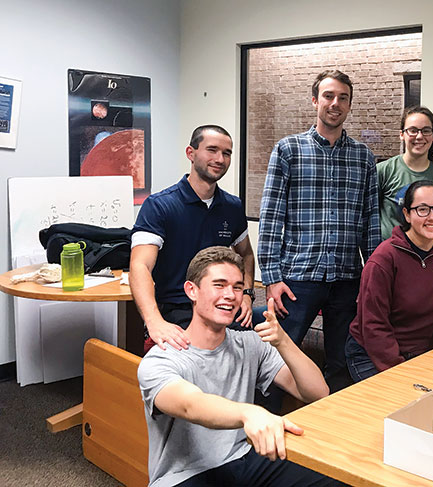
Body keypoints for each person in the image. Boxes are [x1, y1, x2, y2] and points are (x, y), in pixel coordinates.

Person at [137, 246, 338, 487]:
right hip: (184, 476)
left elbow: (317, 392)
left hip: (245, 459)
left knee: (336, 479)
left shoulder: (250, 343)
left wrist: (283, 341)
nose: (231, 295)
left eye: (237, 287)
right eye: (219, 285)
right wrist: (249, 413)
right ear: (192, 291)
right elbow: (191, 405)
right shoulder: (161, 359)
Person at [258, 70, 380, 392]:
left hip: (347, 278)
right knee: (278, 358)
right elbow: (271, 217)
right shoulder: (288, 150)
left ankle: (332, 427)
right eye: (328, 96)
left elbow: (370, 221)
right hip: (298, 277)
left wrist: (373, 278)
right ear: (315, 100)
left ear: (350, 105)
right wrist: (271, 278)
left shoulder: (364, 157)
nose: (335, 103)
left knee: (342, 361)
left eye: (343, 97)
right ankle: (265, 422)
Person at [130, 125, 256, 352]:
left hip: (221, 305)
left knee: (260, 347)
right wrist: (154, 321)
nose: (220, 159)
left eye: (227, 153)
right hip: (177, 308)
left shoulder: (233, 206)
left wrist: (246, 294)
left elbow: (246, 254)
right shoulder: (159, 206)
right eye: (212, 150)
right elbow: (140, 266)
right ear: (191, 153)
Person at [346, 180, 433, 381]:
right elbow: (374, 324)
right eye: (422, 209)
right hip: (374, 354)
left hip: (426, 354)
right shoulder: (384, 259)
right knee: (401, 406)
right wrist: (401, 372)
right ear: (406, 214)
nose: (432, 217)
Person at [377, 106, 433, 240]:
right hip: (390, 253)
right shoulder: (383, 171)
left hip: (427, 253)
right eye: (413, 130)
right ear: (402, 134)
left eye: (426, 131)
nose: (419, 136)